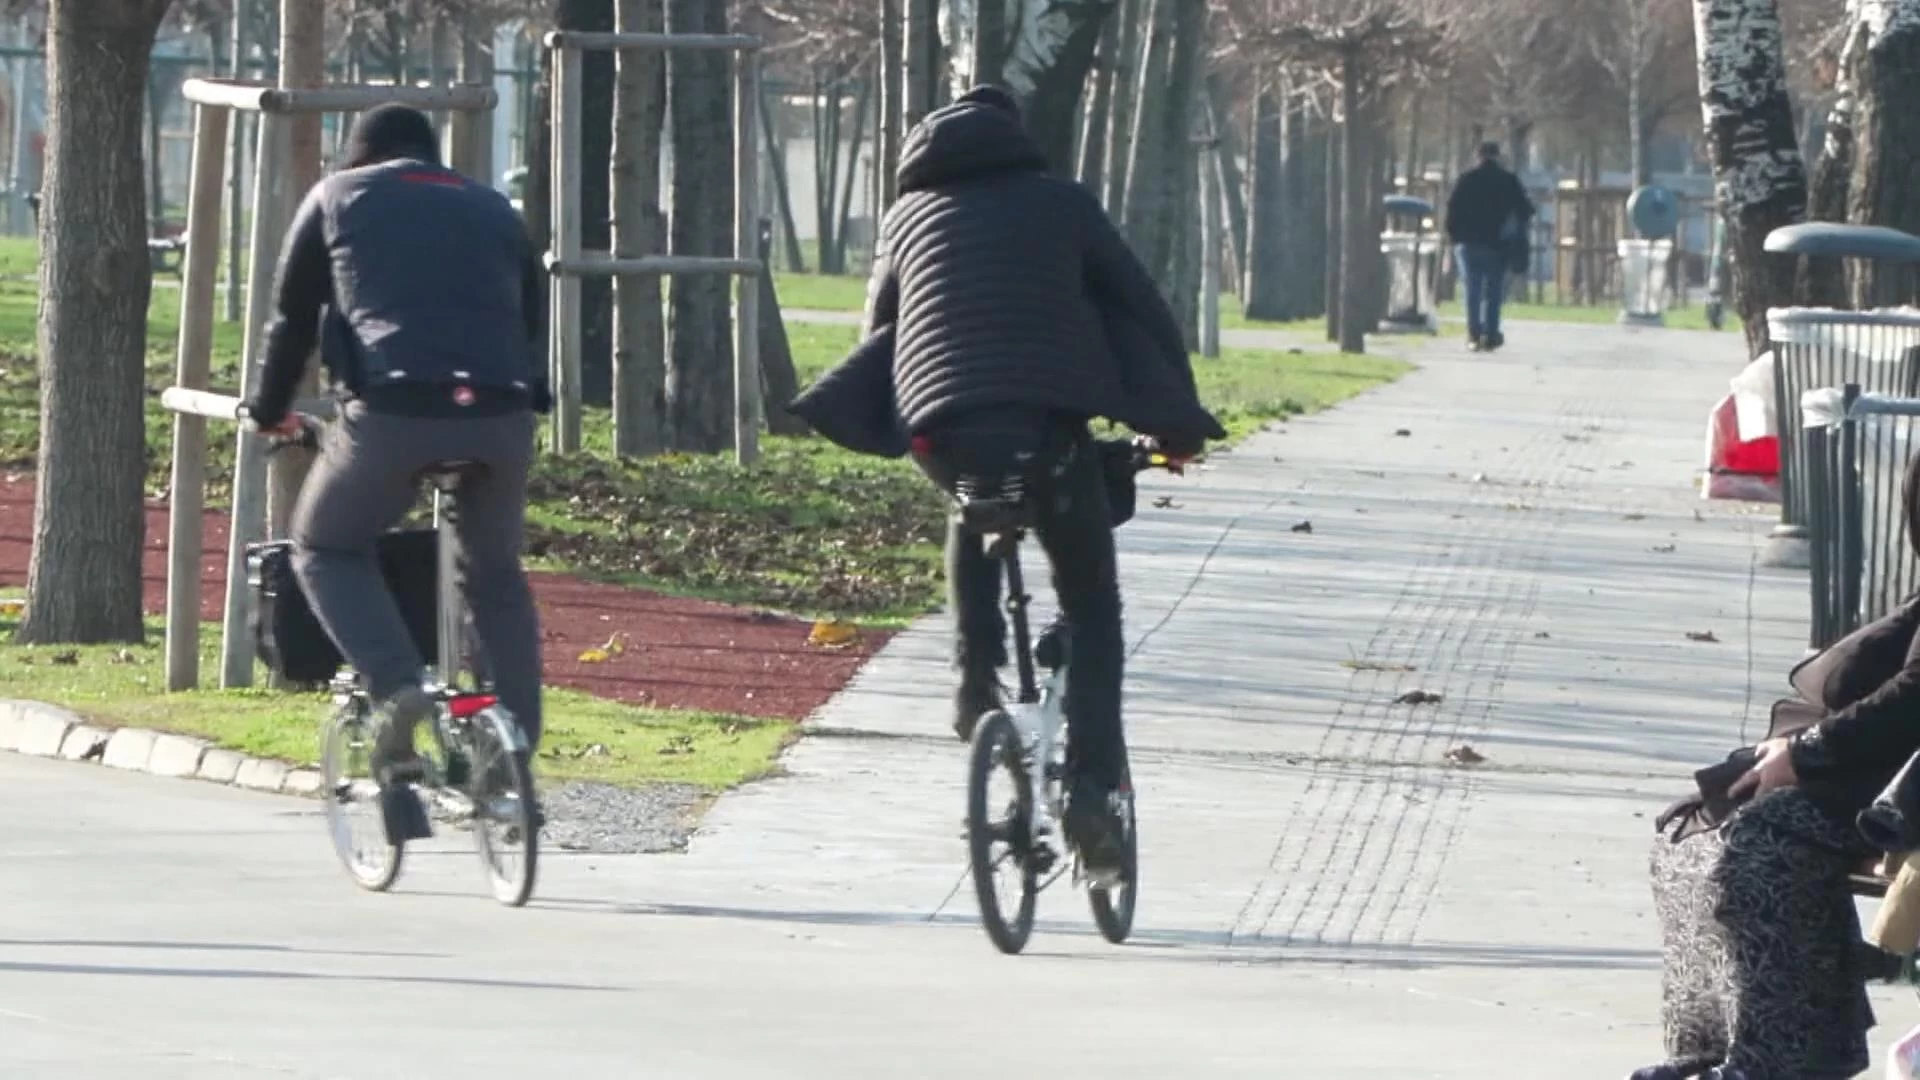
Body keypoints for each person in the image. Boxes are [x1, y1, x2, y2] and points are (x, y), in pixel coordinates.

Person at [855, 83, 1222, 873]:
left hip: (939, 432)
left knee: (968, 504)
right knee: (1093, 609)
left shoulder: (906, 216)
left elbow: (877, 333)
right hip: (1047, 436)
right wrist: (1174, 422)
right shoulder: (1063, 204)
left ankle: (971, 682)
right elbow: (1140, 306)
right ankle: (1090, 790)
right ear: (1015, 140)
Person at [242, 104, 549, 782]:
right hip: (502, 414)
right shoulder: (494, 206)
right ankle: (514, 746)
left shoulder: (335, 197)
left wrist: (268, 410)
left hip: (394, 410)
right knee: (495, 578)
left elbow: (292, 317)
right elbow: (532, 312)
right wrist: (536, 395)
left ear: (357, 155)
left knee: (323, 545)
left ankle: (398, 683)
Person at [1637, 456, 1920, 1080]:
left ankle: (1784, 1057)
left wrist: (1810, 749)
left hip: (1897, 787)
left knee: (1760, 841)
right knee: (1688, 830)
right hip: (1878, 765)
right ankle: (1715, 1046)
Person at [1445, 141, 1534, 353]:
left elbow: (1452, 211)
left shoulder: (1466, 179)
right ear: (1497, 156)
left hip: (1469, 244)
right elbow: (1526, 210)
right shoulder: (1508, 180)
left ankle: (1473, 333)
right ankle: (1491, 334)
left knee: (1472, 289)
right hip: (1497, 245)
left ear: (1478, 156)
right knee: (1494, 291)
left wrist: (1455, 237)